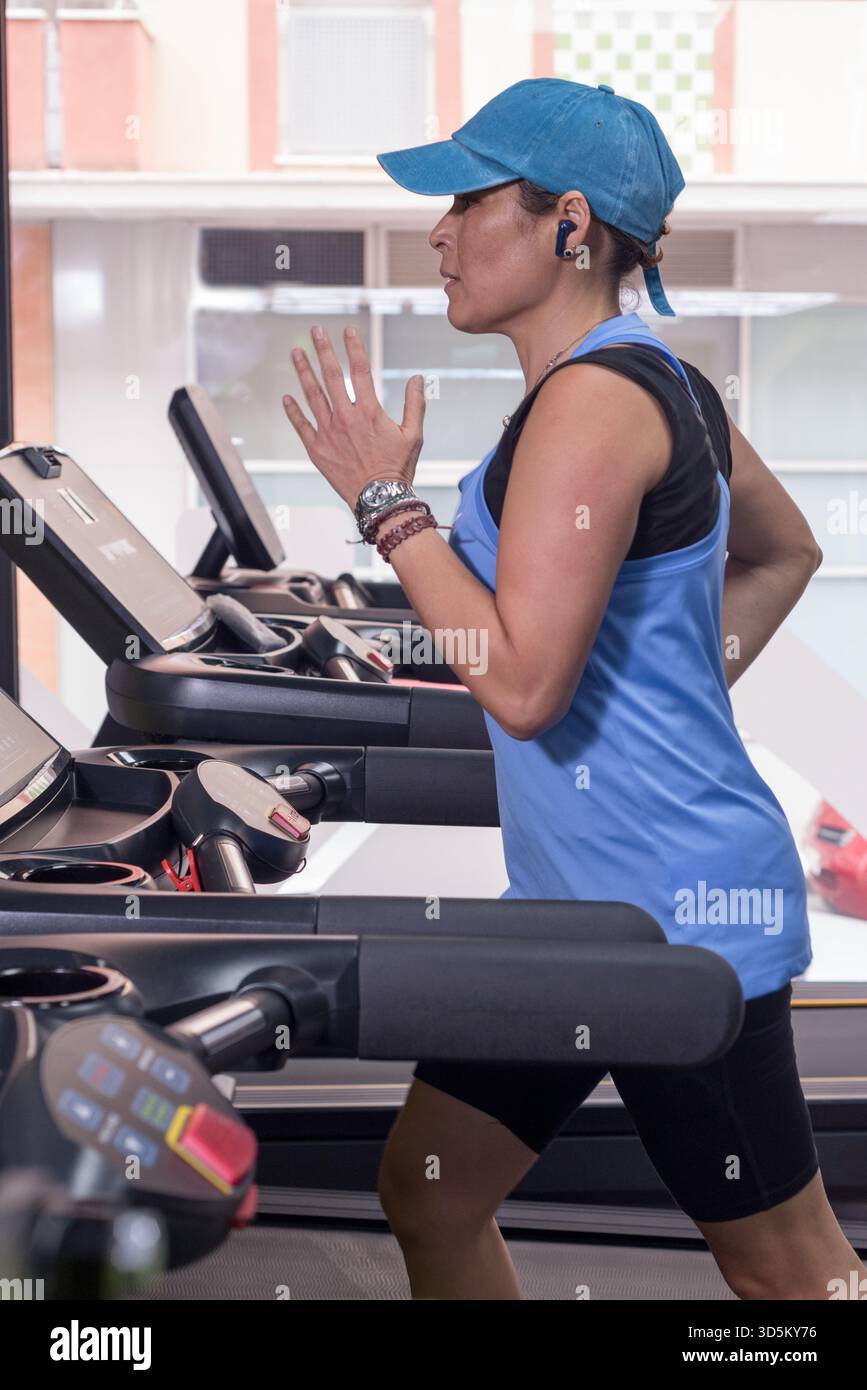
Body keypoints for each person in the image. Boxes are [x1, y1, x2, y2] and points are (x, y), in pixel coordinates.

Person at [282, 78, 865, 1301]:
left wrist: (387, 509)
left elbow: (528, 684)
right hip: (574, 915)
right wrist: (672, 678)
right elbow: (784, 550)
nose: (437, 232)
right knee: (432, 1187)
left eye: (467, 199)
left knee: (797, 1281)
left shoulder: (593, 403)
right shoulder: (651, 376)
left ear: (570, 223)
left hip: (667, 923)